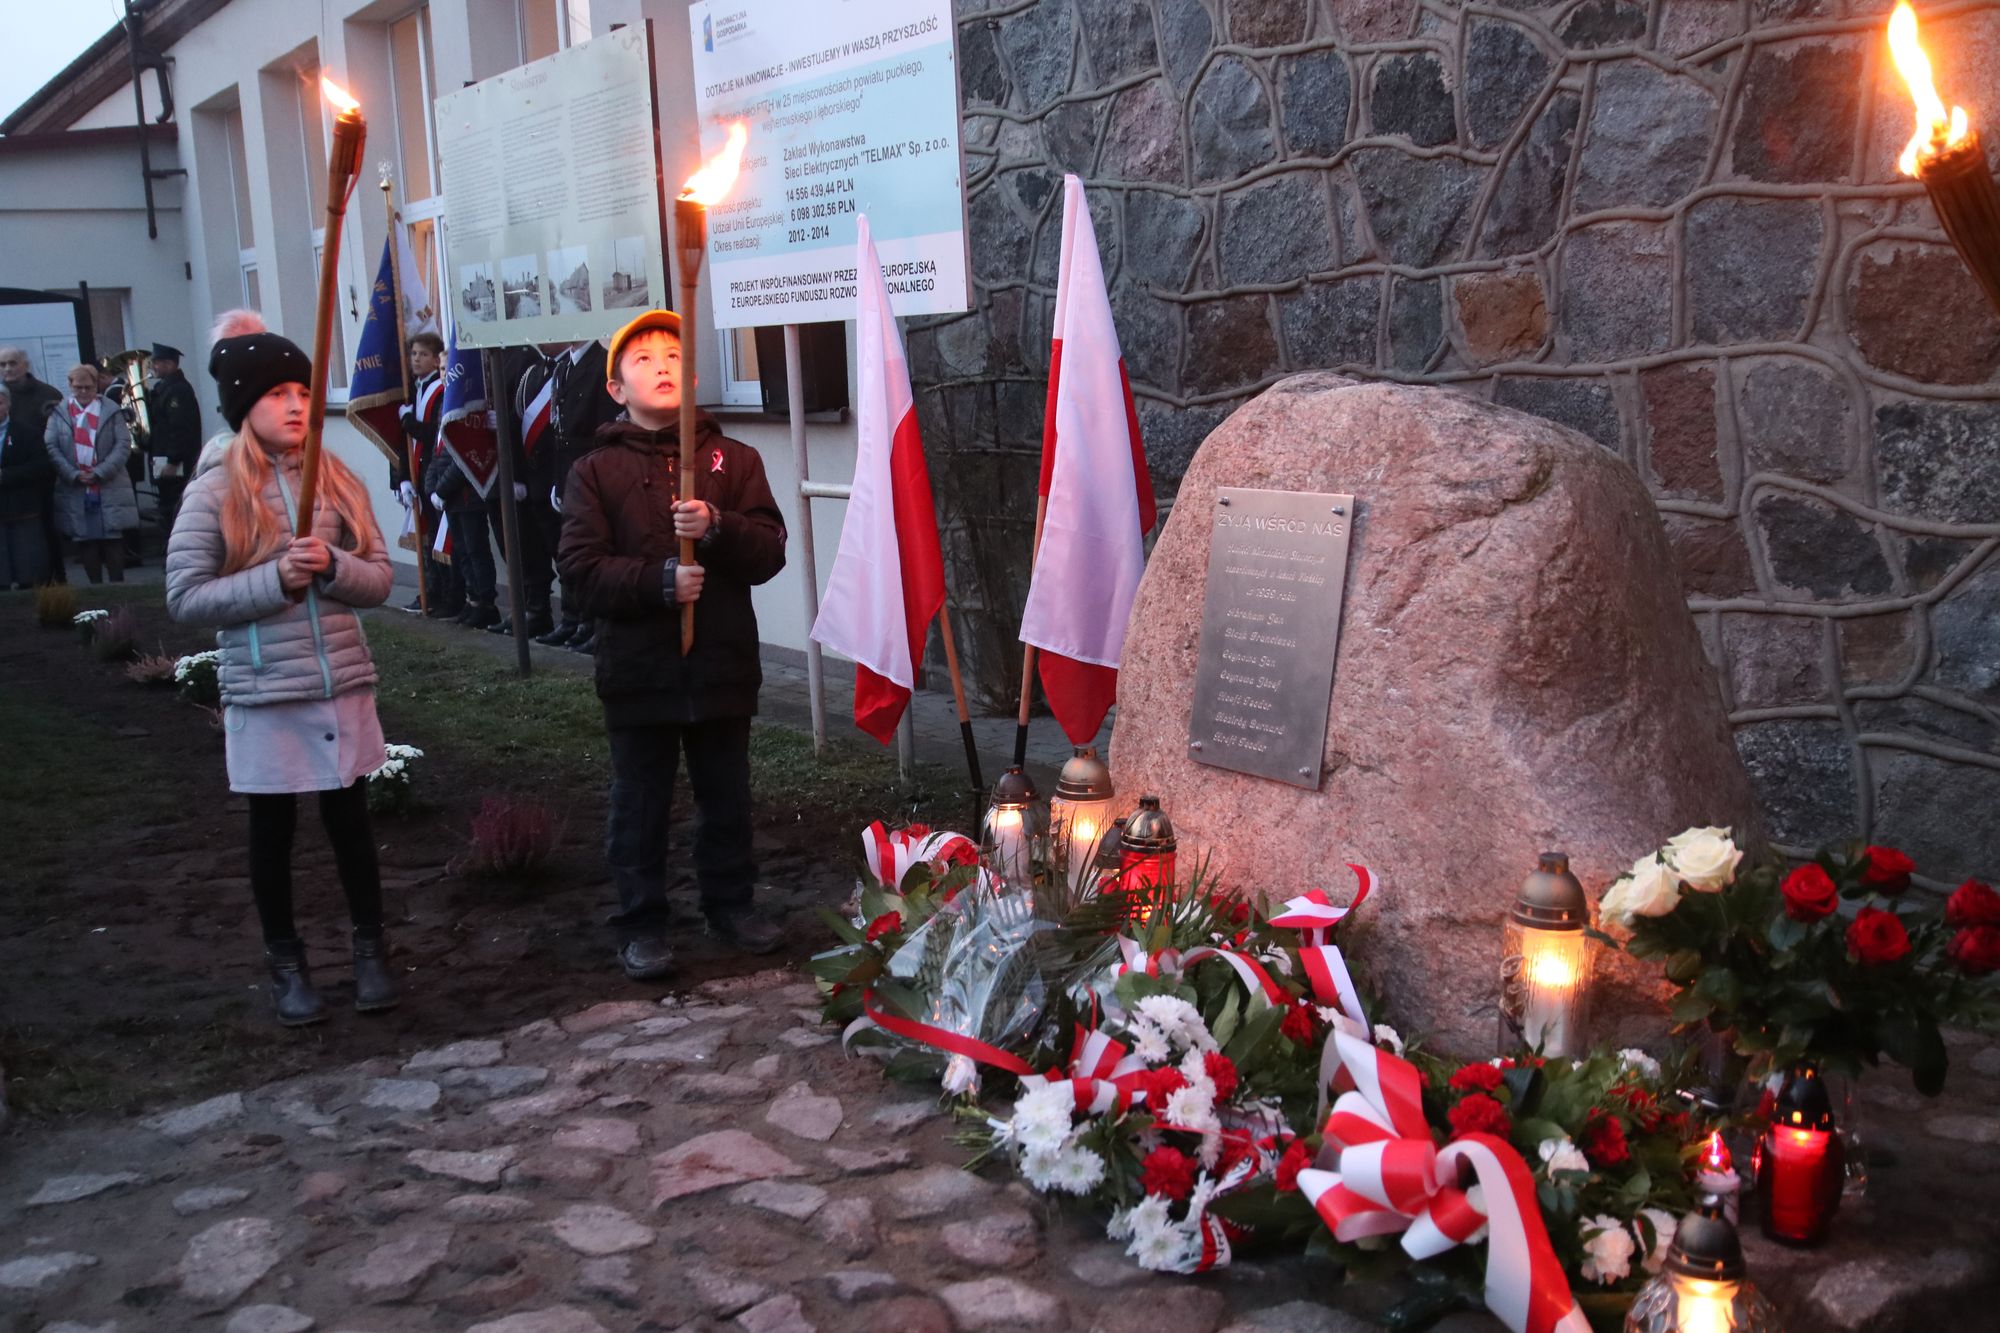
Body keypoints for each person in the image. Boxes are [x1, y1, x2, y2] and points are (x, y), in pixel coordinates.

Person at [165, 325, 399, 1027]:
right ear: (243, 405)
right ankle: (288, 961)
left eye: (302, 391)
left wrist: (332, 566)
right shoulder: (212, 494)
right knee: (272, 830)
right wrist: (274, 579)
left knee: (351, 823)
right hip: (267, 691)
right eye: (276, 393)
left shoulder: (335, 478)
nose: (296, 405)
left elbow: (381, 576)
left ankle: (370, 950)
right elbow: (185, 596)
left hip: (342, 681)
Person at [558, 310, 788, 979]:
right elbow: (578, 571)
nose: (660, 364)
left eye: (672, 355)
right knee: (640, 800)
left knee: (727, 795)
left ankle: (730, 902)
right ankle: (641, 919)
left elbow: (769, 550)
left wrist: (717, 526)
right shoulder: (595, 472)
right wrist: (657, 580)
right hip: (639, 670)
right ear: (616, 389)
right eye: (641, 358)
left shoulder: (733, 461)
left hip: (719, 662)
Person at [539, 339, 621, 652]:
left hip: (592, 467)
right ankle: (575, 620)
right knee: (572, 550)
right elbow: (559, 432)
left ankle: (596, 625)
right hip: (568, 469)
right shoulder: (563, 367)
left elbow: (605, 427)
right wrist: (559, 481)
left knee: (595, 550)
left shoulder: (603, 363)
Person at [45, 363, 140, 583]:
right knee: (85, 538)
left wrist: (100, 472)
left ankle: (118, 585)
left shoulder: (111, 410)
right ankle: (94, 588)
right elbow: (51, 446)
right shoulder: (59, 413)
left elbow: (123, 444)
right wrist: (73, 474)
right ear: (70, 386)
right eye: (79, 387)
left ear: (96, 385)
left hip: (109, 482)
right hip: (76, 484)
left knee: (112, 537)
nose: (84, 392)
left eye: (88, 387)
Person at [487, 345, 556, 639]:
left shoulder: (525, 356)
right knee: (510, 543)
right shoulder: (487, 355)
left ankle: (538, 610)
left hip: (526, 470)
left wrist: (516, 472)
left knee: (531, 545)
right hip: (496, 468)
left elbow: (518, 420)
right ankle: (525, 606)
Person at [394, 332, 459, 617]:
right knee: (428, 539)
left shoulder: (440, 390)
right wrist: (403, 478)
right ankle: (431, 592)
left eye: (422, 354)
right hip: (420, 475)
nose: (415, 359)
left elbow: (433, 434)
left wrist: (408, 420)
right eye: (413, 354)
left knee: (442, 540)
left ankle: (449, 596)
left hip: (436, 476)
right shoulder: (416, 389)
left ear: (436, 360)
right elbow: (404, 444)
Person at [0, 346, 65, 583]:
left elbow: (62, 437)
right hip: (7, 489)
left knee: (46, 534)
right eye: (2, 364)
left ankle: (55, 582)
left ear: (26, 365)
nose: (7, 368)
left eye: (12, 363)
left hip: (40, 481)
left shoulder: (47, 395)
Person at [147, 343, 204, 530]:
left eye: (157, 363)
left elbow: (180, 428)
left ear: (170, 364)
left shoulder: (177, 390)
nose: (152, 367)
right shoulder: (164, 389)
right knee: (166, 504)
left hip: (173, 461)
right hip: (164, 458)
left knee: (173, 506)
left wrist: (173, 459)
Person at [0, 384, 52, 587]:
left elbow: (41, 465)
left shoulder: (26, 432)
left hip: (21, 506)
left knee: (26, 564)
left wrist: (6, 476)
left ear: (8, 404)